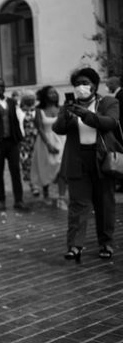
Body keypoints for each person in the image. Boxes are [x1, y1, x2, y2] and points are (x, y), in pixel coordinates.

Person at [53, 67, 120, 262]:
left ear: (94, 85)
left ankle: (106, 243)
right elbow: (58, 129)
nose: (81, 87)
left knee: (105, 204)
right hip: (77, 160)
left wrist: (85, 115)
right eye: (77, 84)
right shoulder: (69, 106)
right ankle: (75, 246)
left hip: (102, 160)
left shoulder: (107, 102)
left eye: (85, 83)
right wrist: (66, 114)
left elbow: (111, 122)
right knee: (78, 205)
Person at [0, 79, 29, 212]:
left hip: (12, 142)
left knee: (15, 171)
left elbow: (16, 121)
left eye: (2, 86)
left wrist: (20, 138)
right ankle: (1, 200)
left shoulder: (11, 102)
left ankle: (19, 200)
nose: (0, 88)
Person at [31, 86, 66, 207]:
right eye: (50, 93)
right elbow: (39, 128)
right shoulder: (39, 110)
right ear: (45, 96)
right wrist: (48, 145)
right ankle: (46, 194)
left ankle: (61, 197)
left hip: (61, 140)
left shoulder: (61, 108)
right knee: (45, 168)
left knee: (62, 168)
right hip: (45, 141)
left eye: (55, 93)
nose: (54, 95)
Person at [18, 91, 38, 197]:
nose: (29, 100)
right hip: (25, 141)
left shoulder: (37, 110)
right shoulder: (19, 111)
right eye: (27, 98)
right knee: (27, 163)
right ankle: (32, 185)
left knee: (37, 161)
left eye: (31, 98)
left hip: (36, 140)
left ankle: (40, 183)